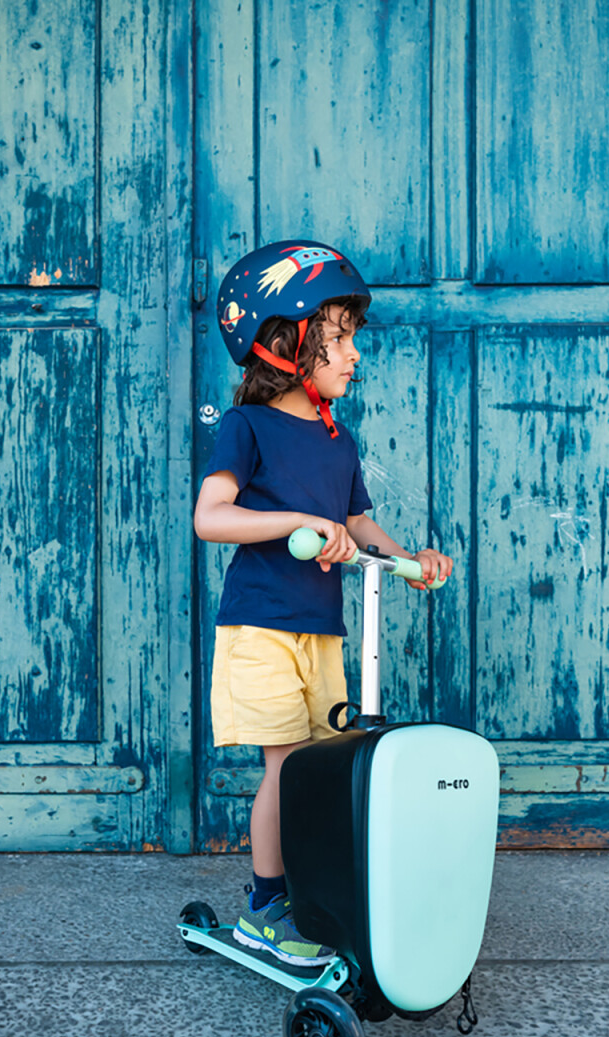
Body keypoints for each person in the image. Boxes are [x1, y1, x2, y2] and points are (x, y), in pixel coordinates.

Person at [194, 239, 453, 968]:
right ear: (285, 345)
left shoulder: (341, 441)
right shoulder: (247, 428)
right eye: (338, 341)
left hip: (322, 633)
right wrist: (293, 523)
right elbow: (211, 518)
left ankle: (307, 892)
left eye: (352, 341)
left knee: (320, 766)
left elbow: (359, 524)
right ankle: (263, 909)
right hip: (261, 628)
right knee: (285, 768)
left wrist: (410, 561)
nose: (353, 356)